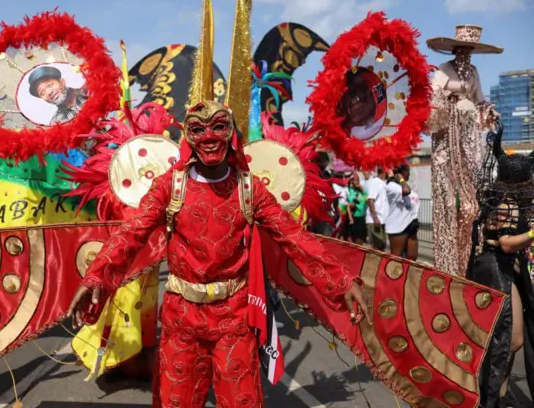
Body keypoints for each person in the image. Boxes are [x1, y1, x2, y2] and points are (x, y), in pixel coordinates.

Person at [67, 100, 369, 407]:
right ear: (188, 137)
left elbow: (294, 237)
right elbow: (131, 234)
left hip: (234, 318)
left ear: (232, 133)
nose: (209, 136)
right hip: (181, 318)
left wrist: (341, 279)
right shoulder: (170, 186)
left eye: (219, 126)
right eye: (198, 129)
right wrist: (96, 276)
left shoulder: (249, 188)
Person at [426, 25, 502, 276]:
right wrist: (449, 102)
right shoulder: (443, 70)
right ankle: (447, 264)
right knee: (447, 197)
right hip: (449, 132)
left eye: (469, 51)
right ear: (455, 49)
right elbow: (432, 97)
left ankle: (469, 256)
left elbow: (479, 100)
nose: (465, 55)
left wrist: (488, 111)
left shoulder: (473, 72)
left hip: (468, 133)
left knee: (471, 198)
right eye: (462, 50)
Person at [467, 123, 533, 407]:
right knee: (506, 341)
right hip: (495, 269)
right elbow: (505, 243)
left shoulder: (507, 199)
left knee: (512, 340)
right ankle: (488, 397)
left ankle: (498, 393)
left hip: (505, 268)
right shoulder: (505, 203)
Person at [339, 68, 386, 141]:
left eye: (351, 103)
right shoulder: (358, 134)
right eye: (352, 114)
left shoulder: (366, 72)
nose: (357, 105)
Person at [385, 164, 419, 260]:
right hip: (397, 227)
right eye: (407, 171)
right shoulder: (391, 186)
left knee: (412, 257)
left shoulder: (407, 186)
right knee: (397, 259)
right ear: (402, 173)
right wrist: (400, 179)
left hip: (411, 227)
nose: (409, 173)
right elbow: (406, 191)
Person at [366, 168, 389, 251]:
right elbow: (370, 200)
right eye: (388, 170)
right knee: (377, 248)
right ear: (384, 172)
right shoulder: (375, 182)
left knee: (382, 246)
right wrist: (375, 217)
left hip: (382, 221)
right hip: (374, 220)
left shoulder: (383, 183)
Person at [346, 173, 368, 245]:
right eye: (354, 180)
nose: (356, 181)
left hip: (361, 217)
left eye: (357, 180)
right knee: (352, 241)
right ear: (351, 181)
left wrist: (361, 189)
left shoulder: (362, 191)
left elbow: (366, 199)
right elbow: (350, 203)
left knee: (360, 240)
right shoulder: (349, 190)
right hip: (353, 217)